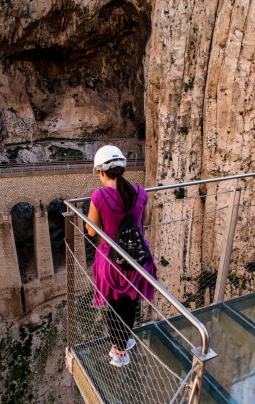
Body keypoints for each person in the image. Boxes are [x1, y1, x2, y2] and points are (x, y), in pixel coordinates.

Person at [85, 145, 157, 367]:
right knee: (130, 302)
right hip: (138, 258)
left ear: (101, 172)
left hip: (112, 262)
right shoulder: (140, 191)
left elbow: (91, 230)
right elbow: (144, 221)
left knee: (115, 305)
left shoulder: (99, 196)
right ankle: (124, 340)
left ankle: (119, 350)